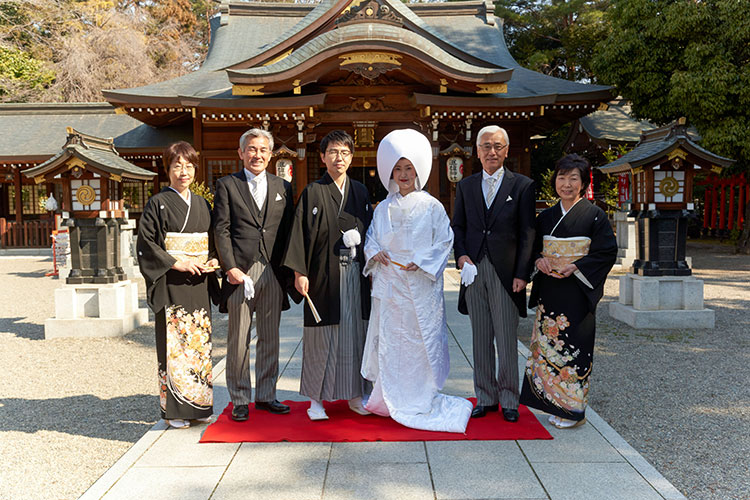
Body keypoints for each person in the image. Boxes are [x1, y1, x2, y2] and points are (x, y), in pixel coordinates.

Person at [361, 129, 473, 433]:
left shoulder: (432, 206)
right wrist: (376, 253)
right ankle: (385, 398)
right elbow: (370, 240)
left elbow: (445, 241)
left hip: (420, 286)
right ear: (390, 173)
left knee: (419, 343)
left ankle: (420, 396)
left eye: (408, 168)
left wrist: (422, 263)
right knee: (390, 343)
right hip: (390, 284)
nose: (403, 174)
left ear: (418, 171)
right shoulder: (383, 208)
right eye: (397, 169)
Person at [519, 154, 617, 429]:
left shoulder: (595, 215)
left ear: (584, 183)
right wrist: (539, 259)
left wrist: (576, 266)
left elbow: (606, 251)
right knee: (549, 348)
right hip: (550, 290)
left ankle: (574, 410)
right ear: (555, 182)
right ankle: (553, 402)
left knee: (574, 348)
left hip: (577, 291)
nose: (567, 184)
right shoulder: (547, 216)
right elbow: (533, 247)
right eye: (562, 177)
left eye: (574, 178)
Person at [283, 130, 372, 421]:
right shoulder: (313, 191)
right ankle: (316, 400)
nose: (339, 158)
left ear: (351, 156)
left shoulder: (359, 191)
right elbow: (299, 235)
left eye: (345, 152)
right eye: (333, 152)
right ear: (322, 157)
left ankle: (356, 395)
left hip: (355, 274)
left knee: (354, 335)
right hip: (322, 275)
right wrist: (300, 271)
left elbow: (371, 233)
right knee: (321, 338)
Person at [452, 125, 536, 423]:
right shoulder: (466, 186)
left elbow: (528, 233)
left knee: (506, 336)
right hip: (474, 270)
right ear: (477, 151)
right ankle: (485, 396)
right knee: (480, 336)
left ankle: (510, 398)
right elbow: (458, 226)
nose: (492, 151)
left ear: (506, 150)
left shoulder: (522, 186)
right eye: (486, 146)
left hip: (506, 272)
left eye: (498, 146)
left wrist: (522, 273)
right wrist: (460, 255)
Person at [213, 128, 295, 422]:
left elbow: (288, 232)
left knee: (270, 336)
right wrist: (229, 267)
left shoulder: (282, 187)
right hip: (240, 272)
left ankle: (266, 394)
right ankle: (239, 398)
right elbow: (220, 229)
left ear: (271, 155)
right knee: (238, 338)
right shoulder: (226, 185)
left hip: (273, 270)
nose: (257, 155)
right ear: (241, 153)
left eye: (263, 150)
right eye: (251, 149)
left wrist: (291, 270)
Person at [137, 141, 219, 429]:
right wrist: (177, 262)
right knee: (175, 345)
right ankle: (174, 411)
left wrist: (211, 260)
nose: (183, 172)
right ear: (167, 169)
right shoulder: (157, 203)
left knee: (199, 345)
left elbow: (212, 241)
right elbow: (146, 244)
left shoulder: (202, 204)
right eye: (177, 166)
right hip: (172, 281)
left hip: (198, 282)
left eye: (189, 165)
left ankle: (199, 406)